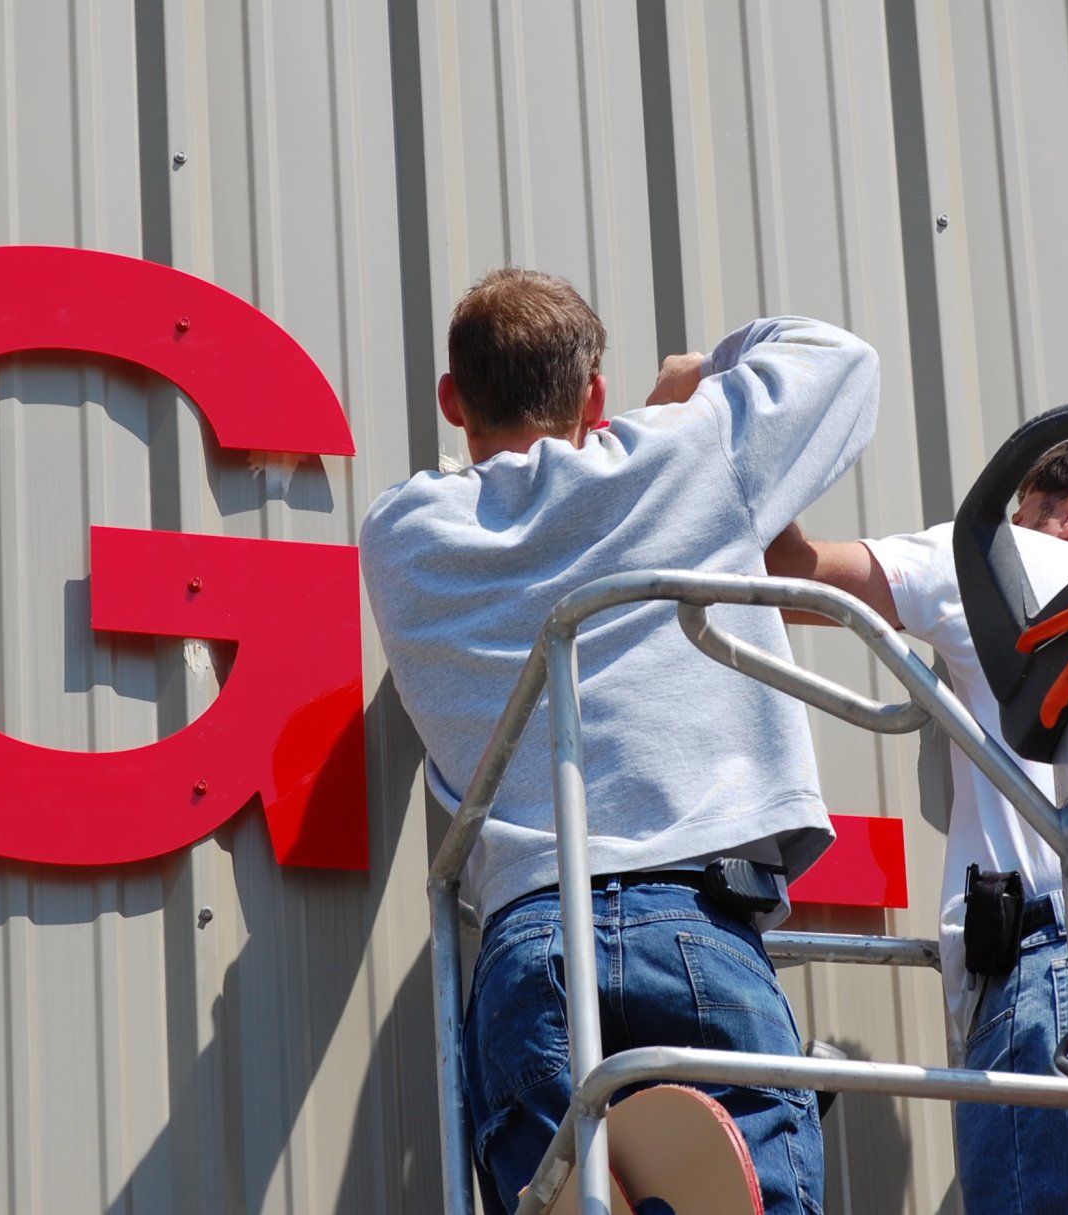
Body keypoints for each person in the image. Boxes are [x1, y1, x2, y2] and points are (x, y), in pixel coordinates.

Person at [361, 267, 878, 1215]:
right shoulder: (679, 454)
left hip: (525, 941)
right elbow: (842, 363)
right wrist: (701, 375)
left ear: (451, 399)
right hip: (696, 920)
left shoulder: (400, 534)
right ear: (595, 396)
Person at [765, 431, 1068, 1215]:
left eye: (1027, 508)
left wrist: (736, 441)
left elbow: (795, 577)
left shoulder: (1011, 562)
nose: (1013, 523)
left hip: (1055, 985)